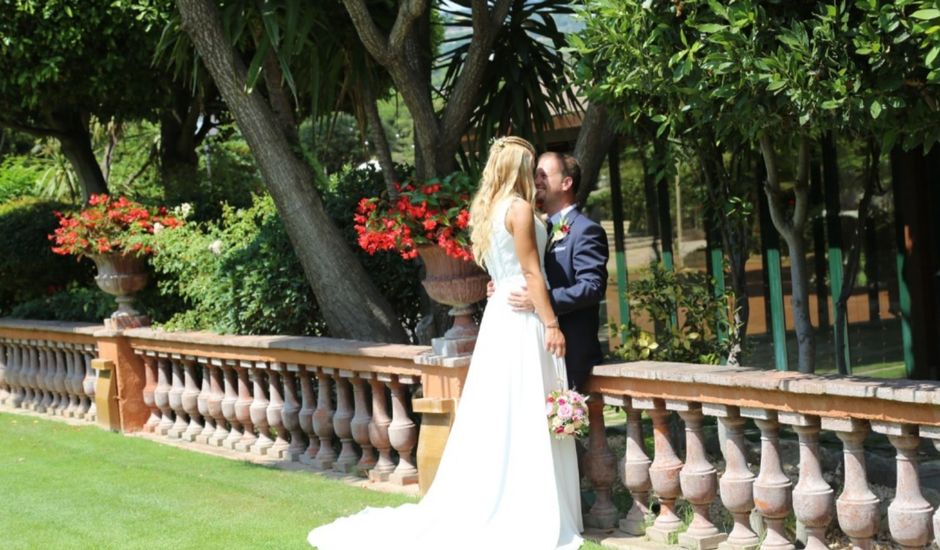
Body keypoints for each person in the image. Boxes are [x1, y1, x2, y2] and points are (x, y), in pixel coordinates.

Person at [307, 136, 584, 550]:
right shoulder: (521, 209)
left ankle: (511, 496)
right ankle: (527, 506)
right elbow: (530, 273)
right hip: (522, 318)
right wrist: (552, 324)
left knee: (506, 411)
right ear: (518, 169)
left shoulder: (492, 212)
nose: (535, 176)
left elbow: (507, 269)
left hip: (500, 319)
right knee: (522, 408)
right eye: (531, 167)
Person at [499, 152, 609, 391]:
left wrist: (541, 300)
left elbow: (592, 287)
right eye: (535, 174)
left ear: (566, 183)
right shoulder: (536, 228)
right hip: (534, 345)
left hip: (569, 348)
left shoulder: (586, 231)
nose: (535, 180)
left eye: (543, 175)